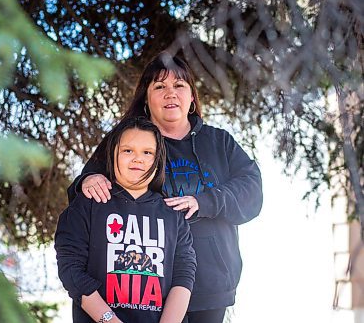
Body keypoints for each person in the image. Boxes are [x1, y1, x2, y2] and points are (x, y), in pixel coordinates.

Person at [68, 52, 263, 323]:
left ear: (192, 97)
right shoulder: (130, 140)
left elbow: (252, 191)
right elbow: (84, 191)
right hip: (146, 289)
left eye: (179, 86)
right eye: (159, 86)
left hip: (210, 285)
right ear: (146, 99)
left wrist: (205, 201)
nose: (170, 93)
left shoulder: (219, 143)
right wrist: (86, 181)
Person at [55, 117, 197, 323]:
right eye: (128, 150)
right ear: (113, 155)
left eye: (147, 152)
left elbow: (184, 275)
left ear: (158, 160)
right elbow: (72, 271)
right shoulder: (88, 205)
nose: (138, 158)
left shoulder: (173, 215)